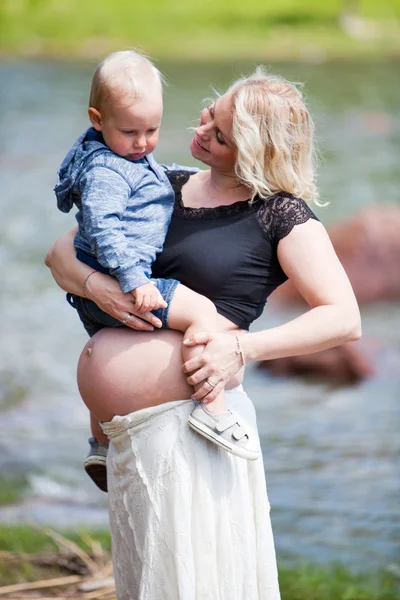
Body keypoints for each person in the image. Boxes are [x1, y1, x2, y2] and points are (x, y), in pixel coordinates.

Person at [46, 66, 361, 599]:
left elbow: (343, 317)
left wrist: (242, 347)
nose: (200, 128)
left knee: (194, 581)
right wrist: (100, 288)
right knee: (148, 578)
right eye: (211, 112)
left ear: (255, 154)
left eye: (218, 135)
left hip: (196, 431)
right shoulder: (156, 182)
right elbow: (59, 256)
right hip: (129, 436)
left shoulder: (280, 216)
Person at [54, 49, 257, 492]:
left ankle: (100, 444)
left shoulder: (117, 154)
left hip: (102, 295)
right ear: (97, 118)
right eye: (131, 131)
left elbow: (151, 176)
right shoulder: (108, 171)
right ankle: (216, 411)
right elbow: (104, 230)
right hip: (126, 280)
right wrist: (134, 279)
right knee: (202, 312)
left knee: (105, 346)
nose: (143, 142)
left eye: (152, 129)